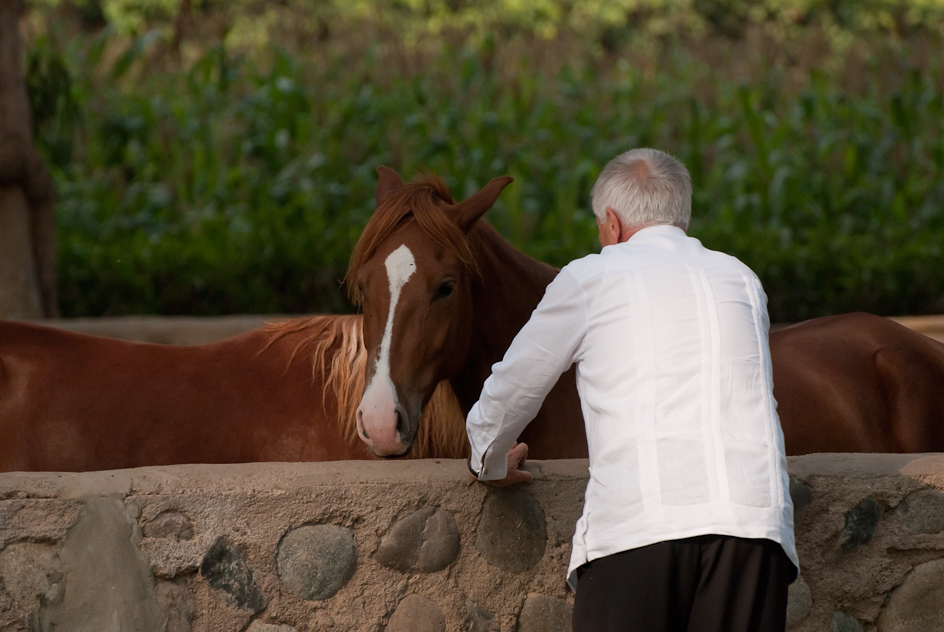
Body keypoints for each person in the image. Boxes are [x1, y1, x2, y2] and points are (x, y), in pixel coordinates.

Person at [465, 148, 798, 632]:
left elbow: (515, 385)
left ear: (613, 224)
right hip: (752, 528)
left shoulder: (590, 276)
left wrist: (487, 458)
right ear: (681, 217)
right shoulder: (742, 278)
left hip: (639, 526)